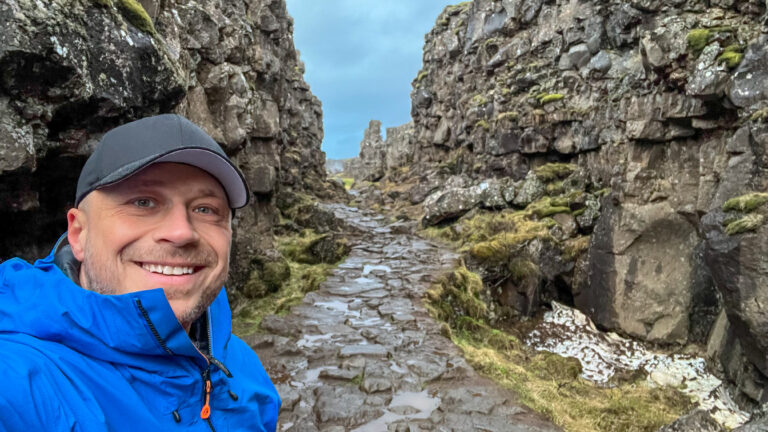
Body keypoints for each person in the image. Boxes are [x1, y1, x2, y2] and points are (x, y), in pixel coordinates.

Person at [0, 114, 280, 431]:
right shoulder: (19, 383)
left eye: (205, 209)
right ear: (79, 234)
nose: (181, 232)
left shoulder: (241, 364)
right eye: (143, 202)